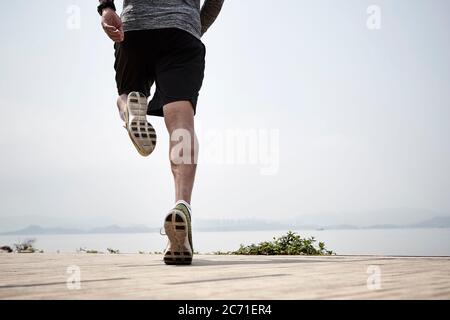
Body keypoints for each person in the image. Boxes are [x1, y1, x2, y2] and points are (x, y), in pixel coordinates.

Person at [97, 0, 224, 265]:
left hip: (134, 29)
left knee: (126, 94)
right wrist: (193, 26)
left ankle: (130, 107)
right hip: (181, 31)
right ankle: (182, 206)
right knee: (181, 123)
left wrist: (106, 8)